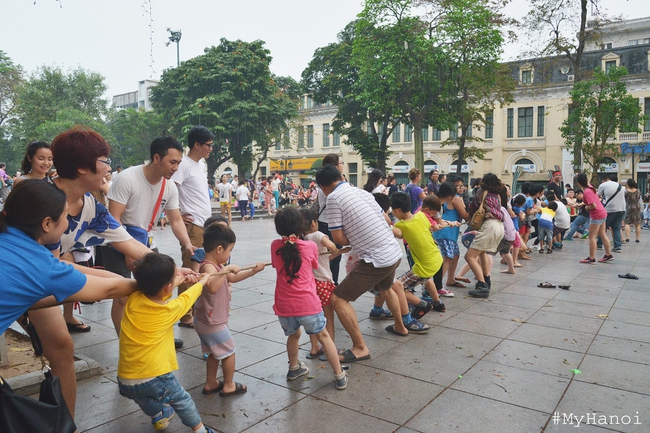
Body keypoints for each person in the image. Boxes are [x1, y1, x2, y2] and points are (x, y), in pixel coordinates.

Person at [1, 180, 139, 419]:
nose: (67, 224)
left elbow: (61, 273)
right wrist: (154, 282)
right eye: (65, 217)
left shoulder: (11, 241)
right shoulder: (38, 264)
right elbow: (104, 291)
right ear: (46, 224)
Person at [106, 136, 197, 335]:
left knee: (159, 286)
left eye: (178, 163)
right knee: (121, 295)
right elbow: (113, 218)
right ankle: (126, 341)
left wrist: (188, 244)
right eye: (172, 162)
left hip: (144, 239)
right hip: (116, 238)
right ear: (156, 158)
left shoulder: (169, 186)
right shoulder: (127, 178)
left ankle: (153, 334)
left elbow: (175, 219)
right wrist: (128, 251)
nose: (176, 168)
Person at [315, 164, 405, 362]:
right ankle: (400, 325)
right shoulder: (361, 192)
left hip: (377, 259)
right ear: (341, 177)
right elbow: (383, 219)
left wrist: (349, 241)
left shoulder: (333, 199)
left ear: (323, 187)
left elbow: (338, 237)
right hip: (393, 252)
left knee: (338, 298)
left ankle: (360, 347)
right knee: (386, 288)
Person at [118, 253, 214, 433]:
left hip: (126, 379)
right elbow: (187, 298)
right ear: (167, 287)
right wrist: (203, 280)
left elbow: (160, 288)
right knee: (181, 400)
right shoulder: (168, 311)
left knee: (143, 398)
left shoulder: (134, 299)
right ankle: (200, 430)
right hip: (154, 376)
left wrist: (177, 280)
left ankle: (158, 415)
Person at [271, 207, 348, 389]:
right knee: (323, 335)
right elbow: (314, 264)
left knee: (293, 335)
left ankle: (294, 368)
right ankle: (339, 375)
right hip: (307, 303)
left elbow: (277, 264)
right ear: (301, 226)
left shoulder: (275, 245)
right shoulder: (310, 246)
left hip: (284, 305)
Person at [195, 224, 264, 397]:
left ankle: (211, 382)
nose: (230, 254)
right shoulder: (208, 267)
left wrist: (252, 271)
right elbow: (211, 287)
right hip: (212, 322)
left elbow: (231, 277)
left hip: (207, 319)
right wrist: (225, 269)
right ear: (219, 249)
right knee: (229, 352)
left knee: (213, 352)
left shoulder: (216, 265)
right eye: (230, 250)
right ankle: (229, 385)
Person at [171, 126, 215, 328]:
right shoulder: (184, 165)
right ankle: (185, 314)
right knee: (191, 270)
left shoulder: (200, 165)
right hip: (193, 226)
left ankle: (195, 308)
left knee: (203, 268)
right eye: (208, 145)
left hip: (205, 223)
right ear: (196, 144)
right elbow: (170, 189)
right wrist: (177, 213)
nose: (210, 149)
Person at [388, 192, 448, 335]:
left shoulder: (401, 225)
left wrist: (386, 223)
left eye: (393, 212)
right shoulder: (421, 215)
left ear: (397, 211)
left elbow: (397, 233)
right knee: (426, 280)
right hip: (435, 258)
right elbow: (428, 227)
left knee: (398, 288)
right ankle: (438, 302)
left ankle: (423, 305)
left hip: (424, 265)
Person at [299, 207, 344, 358]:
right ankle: (329, 348)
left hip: (310, 285)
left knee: (313, 317)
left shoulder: (301, 241)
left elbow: (317, 261)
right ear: (313, 223)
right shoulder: (317, 235)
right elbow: (332, 247)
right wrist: (336, 251)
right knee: (328, 317)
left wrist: (327, 257)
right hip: (324, 283)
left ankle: (314, 348)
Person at [466, 173, 505, 298]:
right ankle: (486, 279)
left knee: (469, 257)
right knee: (482, 253)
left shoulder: (482, 192)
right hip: (499, 226)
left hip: (489, 226)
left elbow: (473, 208)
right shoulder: (498, 195)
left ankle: (482, 285)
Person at [315, 153, 345, 285]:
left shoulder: (334, 182)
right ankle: (329, 282)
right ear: (334, 166)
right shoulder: (328, 184)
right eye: (341, 163)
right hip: (328, 224)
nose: (342, 165)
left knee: (335, 256)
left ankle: (333, 282)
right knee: (331, 255)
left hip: (330, 222)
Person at [434, 181, 470, 289]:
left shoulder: (443, 199)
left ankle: (450, 279)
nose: (460, 188)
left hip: (448, 231)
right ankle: (438, 285)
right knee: (448, 257)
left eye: (461, 185)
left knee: (455, 255)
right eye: (457, 185)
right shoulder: (455, 198)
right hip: (446, 231)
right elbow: (464, 215)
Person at [576, 173, 613, 264]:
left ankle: (591, 258)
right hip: (602, 212)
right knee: (603, 234)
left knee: (591, 236)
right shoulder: (590, 187)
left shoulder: (586, 192)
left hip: (596, 215)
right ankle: (608, 255)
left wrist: (587, 208)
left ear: (578, 183)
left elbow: (593, 205)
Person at [596, 174, 625, 253]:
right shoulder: (619, 185)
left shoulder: (603, 185)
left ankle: (599, 244)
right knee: (616, 228)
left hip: (610, 209)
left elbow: (597, 196)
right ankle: (617, 246)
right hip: (622, 209)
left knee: (603, 227)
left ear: (603, 180)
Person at [623, 179, 642, 243]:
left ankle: (627, 237)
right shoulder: (638, 191)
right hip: (637, 207)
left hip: (629, 207)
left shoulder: (626, 192)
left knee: (627, 222)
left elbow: (624, 200)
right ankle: (637, 238)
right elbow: (639, 199)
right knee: (637, 223)